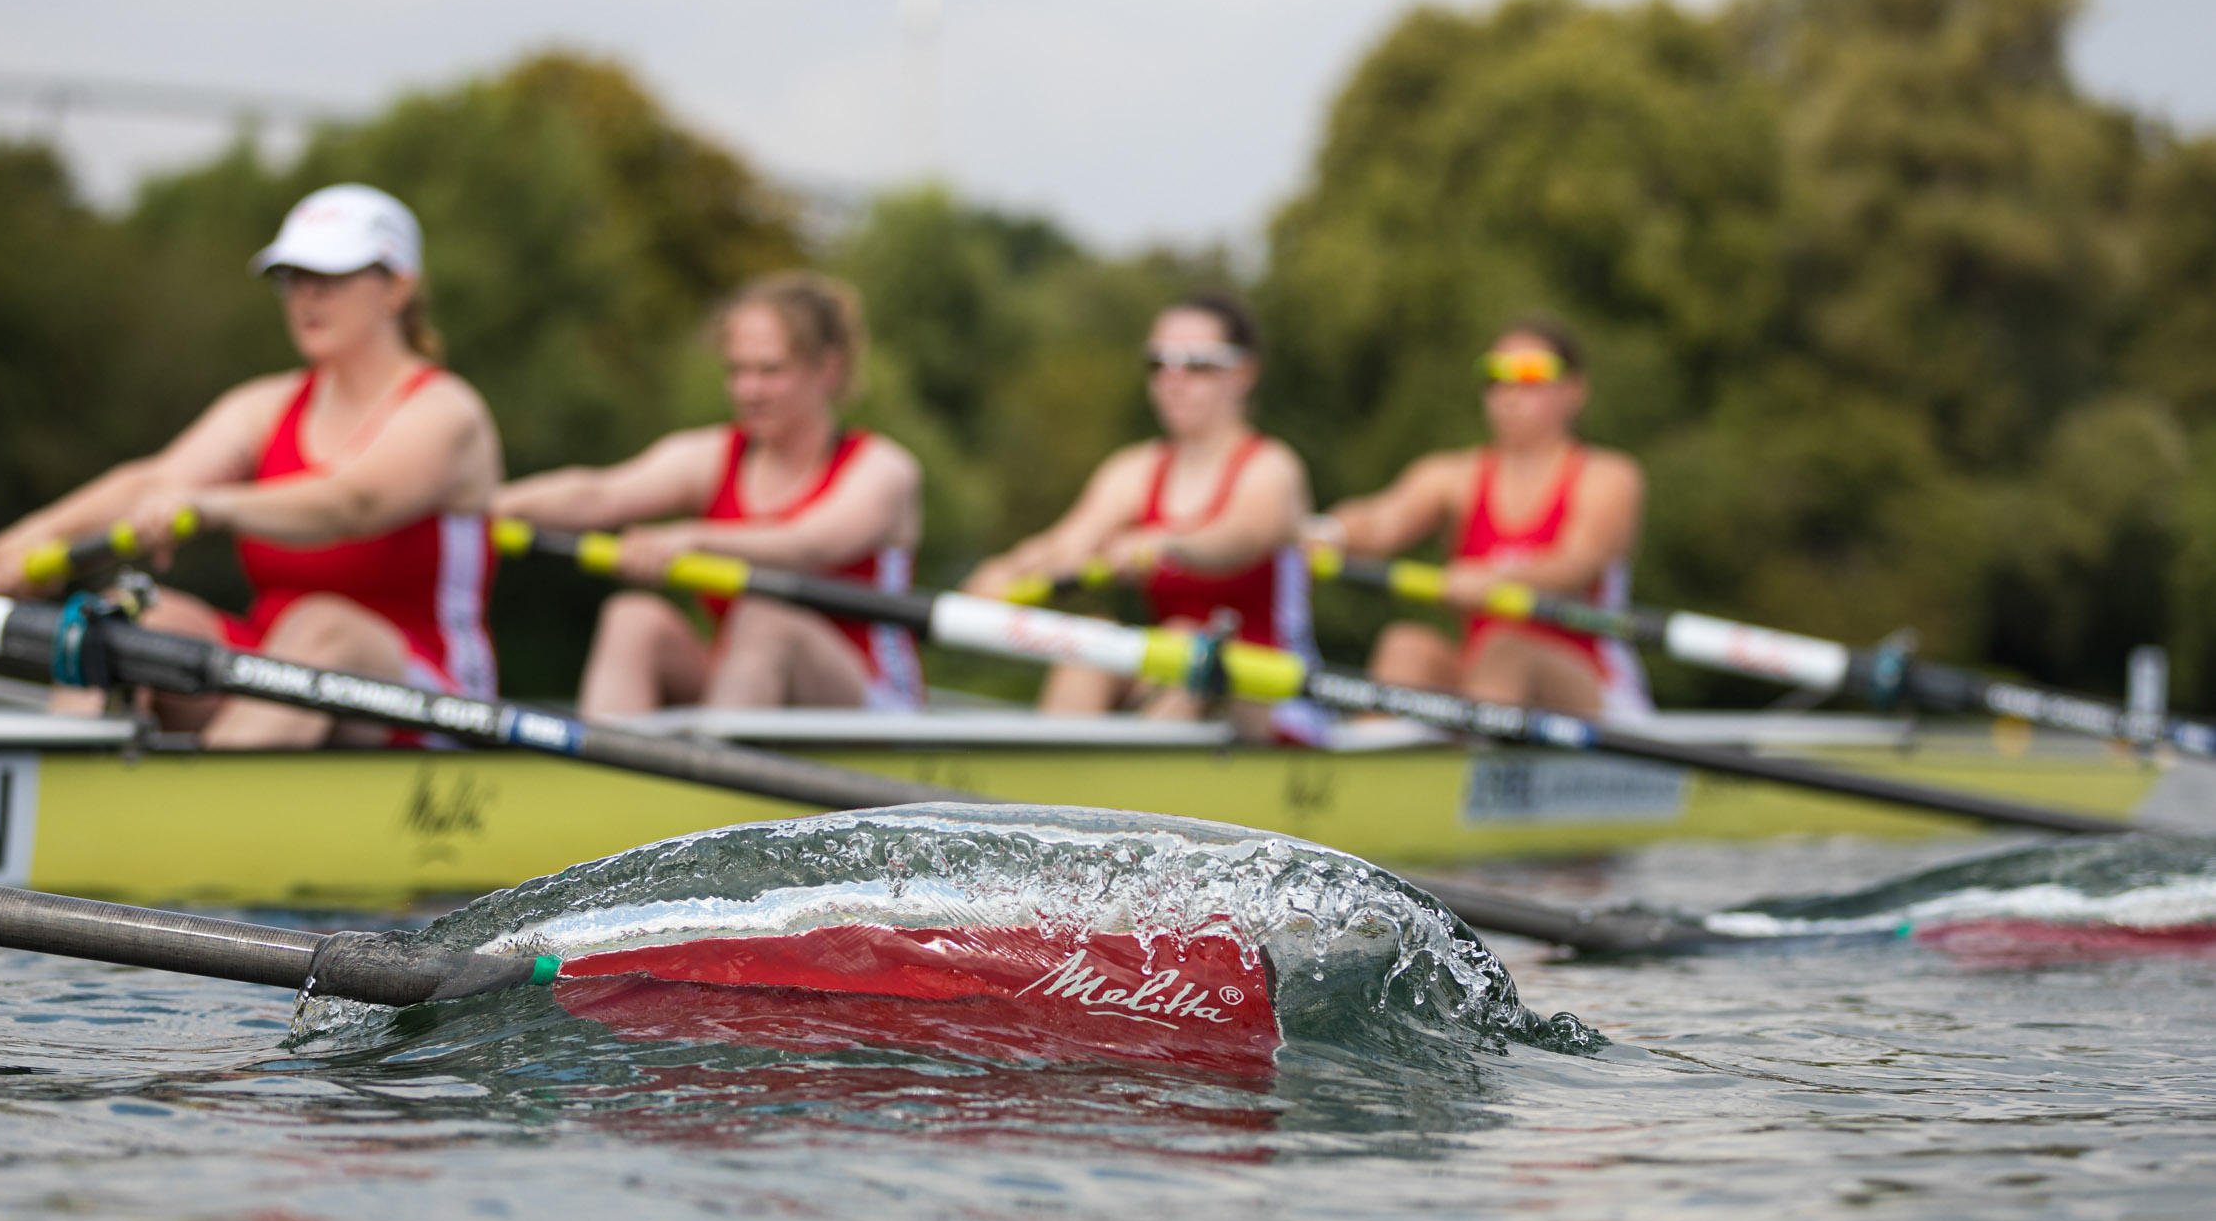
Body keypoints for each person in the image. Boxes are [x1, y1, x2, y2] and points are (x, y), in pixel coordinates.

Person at [0, 183, 503, 747]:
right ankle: (62, 805)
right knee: (125, 620)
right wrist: (36, 537)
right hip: (277, 669)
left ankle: (206, 816)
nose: (306, 298)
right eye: (293, 278)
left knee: (322, 627)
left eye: (331, 277)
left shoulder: (448, 411)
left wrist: (214, 506)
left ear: (398, 287)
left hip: (433, 699)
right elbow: (154, 480)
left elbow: (351, 503)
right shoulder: (264, 405)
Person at [491, 272, 922, 716]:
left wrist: (694, 539)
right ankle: (609, 779)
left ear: (828, 369)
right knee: (632, 618)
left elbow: (810, 543)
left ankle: (709, 772)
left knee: (765, 618)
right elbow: (598, 493)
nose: (748, 391)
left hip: (872, 704)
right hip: (747, 687)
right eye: (736, 370)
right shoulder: (713, 456)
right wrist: (489, 506)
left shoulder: (884, 469)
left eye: (769, 371)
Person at [963, 292, 1314, 728]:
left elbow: (1240, 538)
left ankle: (1121, 778)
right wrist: (1004, 572)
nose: (1173, 379)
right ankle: (1051, 791)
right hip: (1172, 684)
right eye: (1158, 364)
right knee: (1090, 645)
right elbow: (1065, 546)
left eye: (1197, 364)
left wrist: (1170, 543)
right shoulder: (1133, 470)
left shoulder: (1272, 467)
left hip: (1275, 702)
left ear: (1243, 373)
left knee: (1190, 640)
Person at [1311, 318, 1648, 716]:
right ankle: (1382, 769)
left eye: (1530, 377)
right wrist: (1326, 532)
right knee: (1406, 647)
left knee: (1506, 652)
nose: (1509, 395)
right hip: (1486, 688)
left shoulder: (1608, 476)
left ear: (1575, 391)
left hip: (1592, 688)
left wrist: (1495, 578)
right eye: (1495, 377)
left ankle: (1471, 763)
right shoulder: (1454, 477)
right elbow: (1380, 520)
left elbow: (1576, 563)